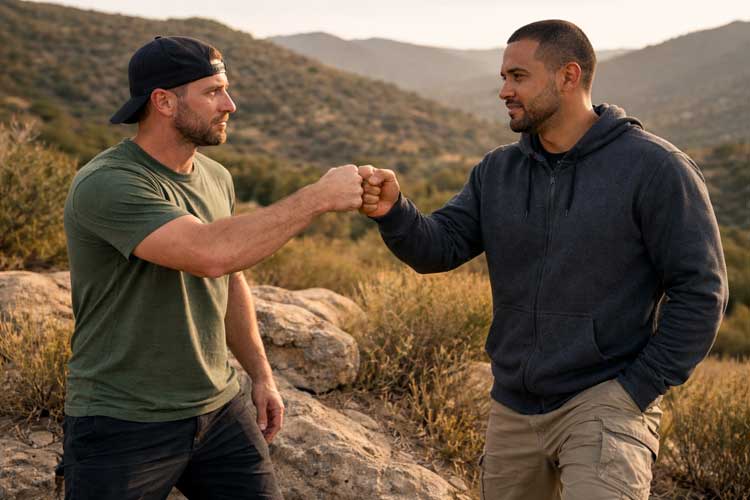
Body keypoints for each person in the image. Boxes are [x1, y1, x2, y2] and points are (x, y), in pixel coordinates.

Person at [358, 20, 728, 500]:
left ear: (568, 77)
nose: (504, 91)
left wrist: (637, 387)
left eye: (518, 77)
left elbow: (701, 289)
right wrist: (395, 211)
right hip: (512, 407)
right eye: (503, 78)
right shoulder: (498, 171)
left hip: (604, 401)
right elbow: (440, 247)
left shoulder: (656, 169)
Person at [61, 35, 365, 499]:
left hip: (219, 410)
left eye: (226, 88)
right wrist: (318, 198)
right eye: (212, 91)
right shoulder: (109, 184)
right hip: (122, 421)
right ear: (163, 101)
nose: (230, 104)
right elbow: (210, 254)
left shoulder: (215, 176)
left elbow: (229, 275)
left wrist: (261, 375)